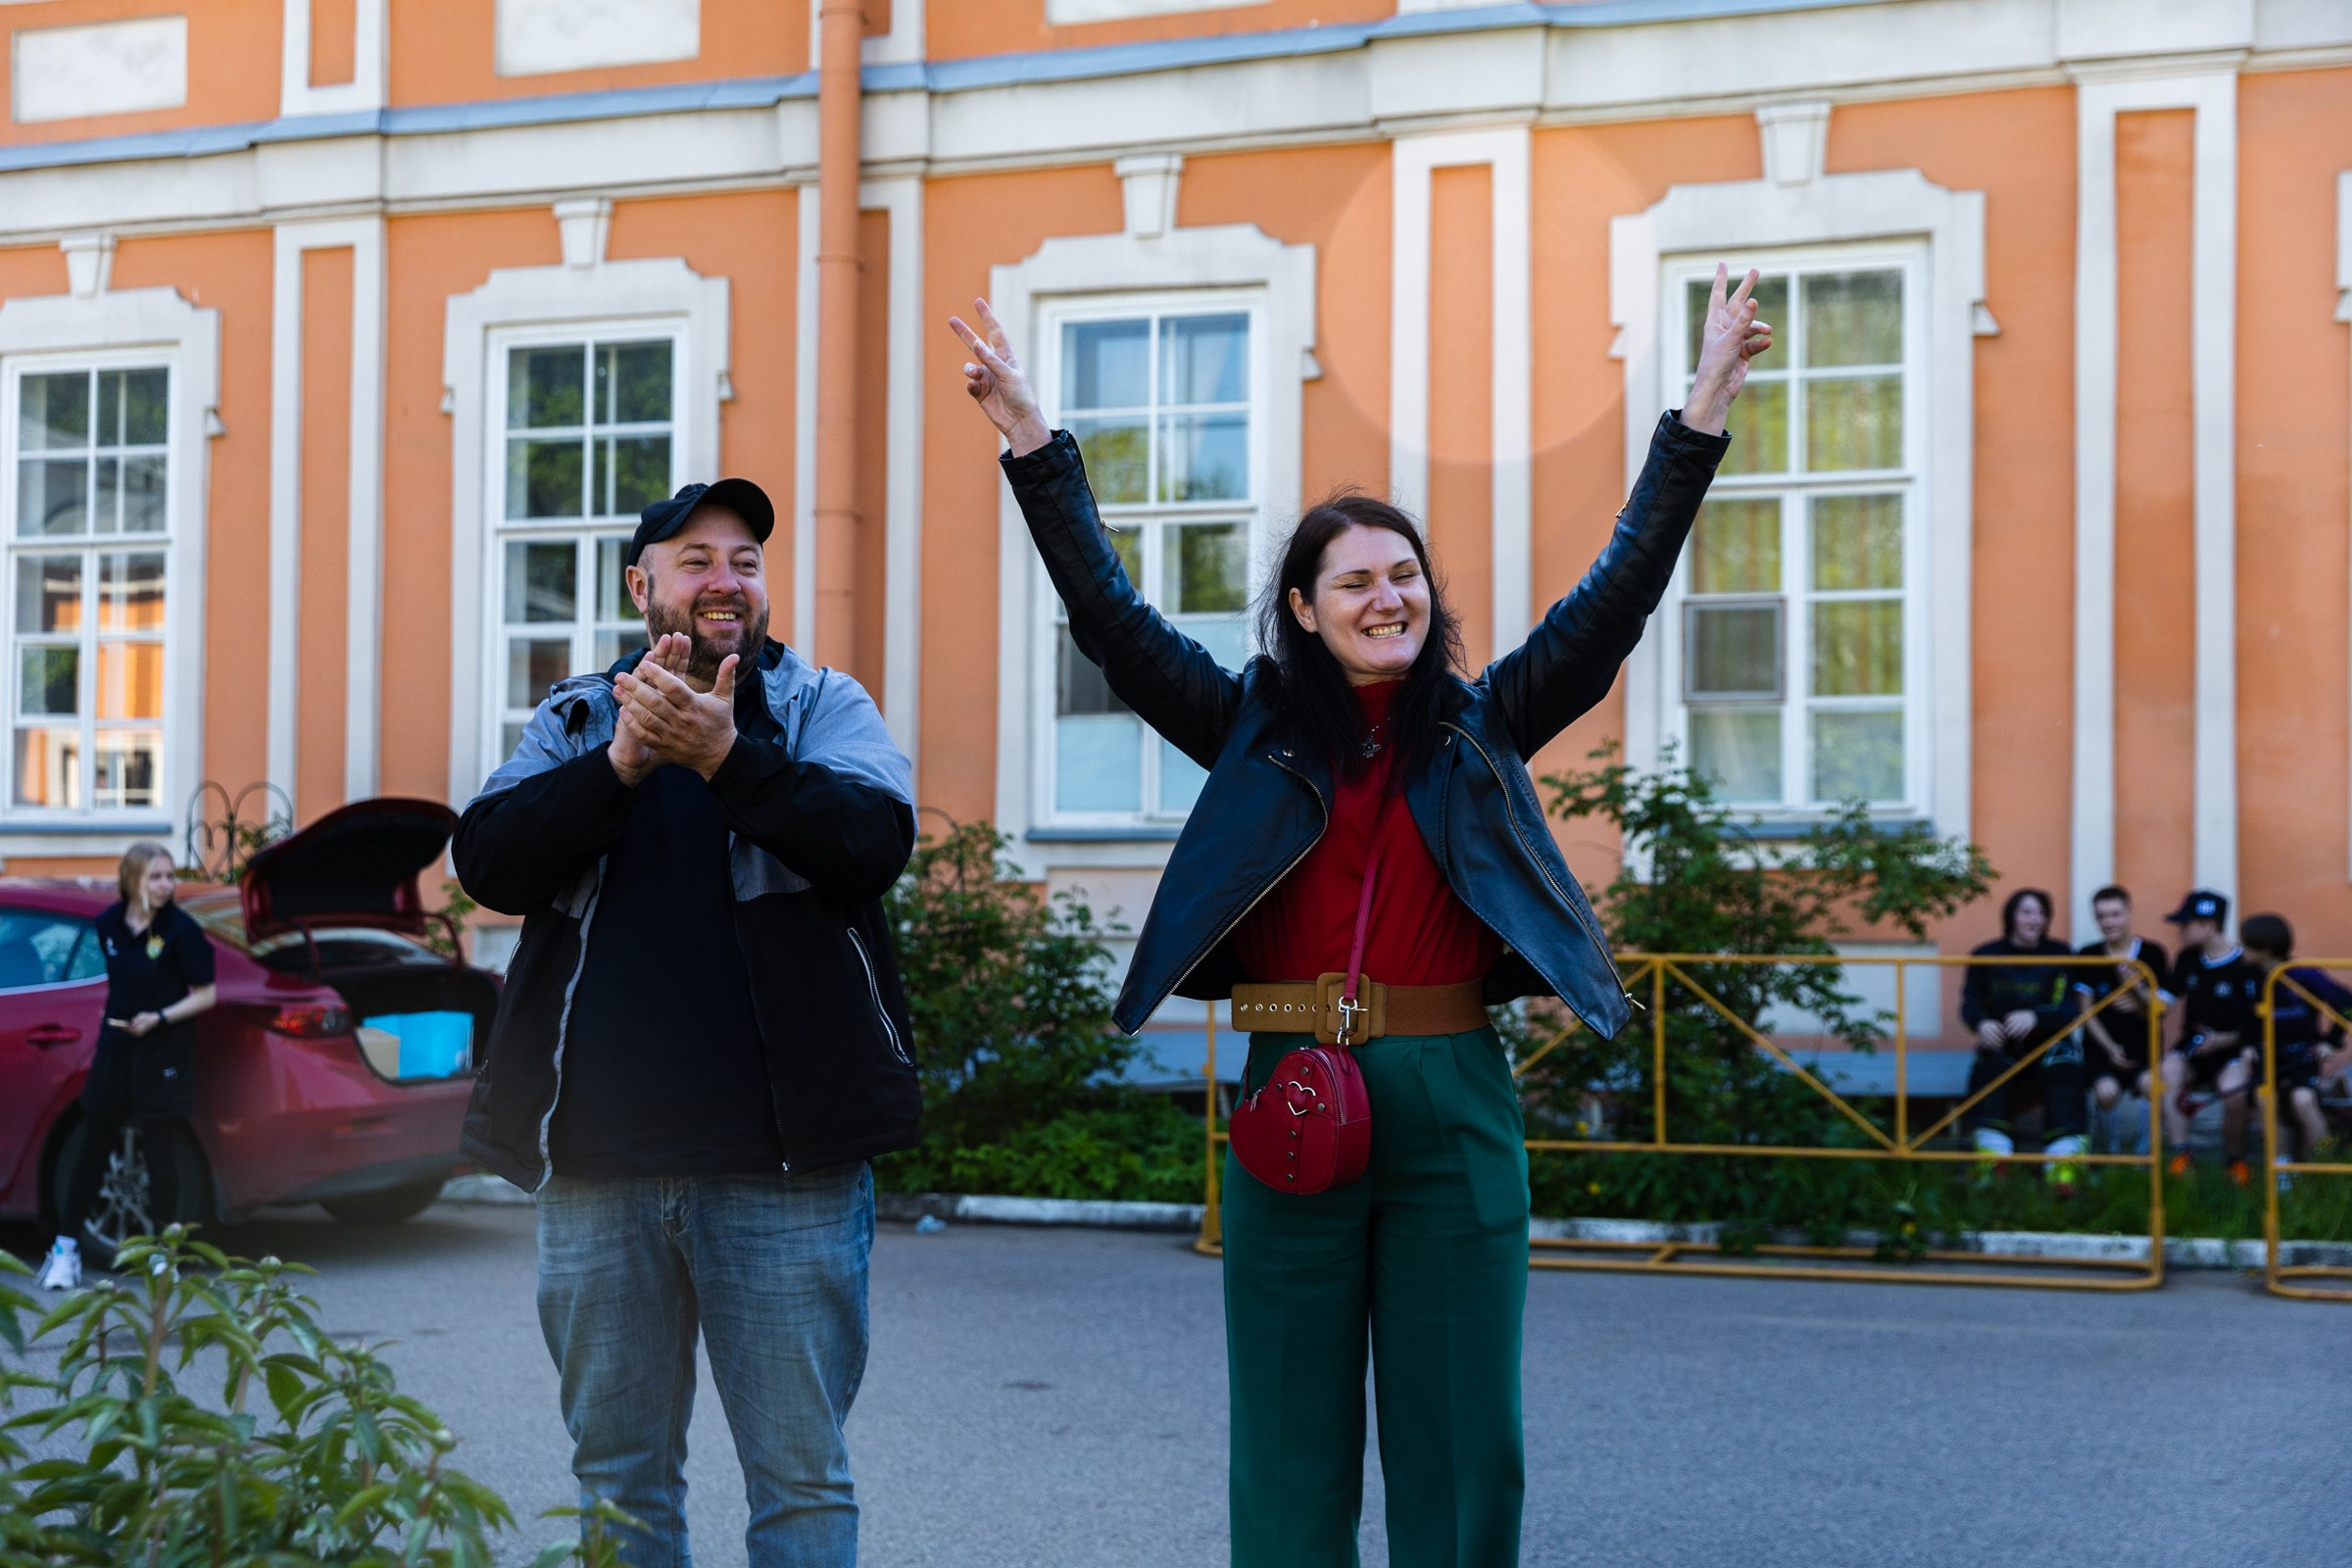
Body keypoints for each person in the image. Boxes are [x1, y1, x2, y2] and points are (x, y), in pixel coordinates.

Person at [953, 263, 1770, 1567]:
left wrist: (1702, 413)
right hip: (1293, 1092)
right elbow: (1110, 622)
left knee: (1461, 1448)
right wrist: (1035, 445)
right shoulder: (1248, 733)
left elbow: (1617, 597)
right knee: (1288, 1444)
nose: (1387, 596)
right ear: (1303, 611)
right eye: (1354, 581)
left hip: (1451, 1096)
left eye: (1404, 575)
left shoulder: (1482, 729)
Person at [453, 477, 920, 1568]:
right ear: (642, 583)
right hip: (597, 1173)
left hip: (786, 1173)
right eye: (699, 557)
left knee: (800, 1483)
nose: (728, 579)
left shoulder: (819, 707)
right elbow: (487, 860)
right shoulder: (576, 718)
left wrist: (726, 758)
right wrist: (622, 766)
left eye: (747, 559)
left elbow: (872, 844)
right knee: (619, 1487)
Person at [38, 841, 219, 1290]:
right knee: (94, 1143)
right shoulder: (110, 926)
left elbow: (206, 993)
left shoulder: (182, 931)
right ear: (133, 880)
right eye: (155, 877)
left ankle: (163, 1254)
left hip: (163, 1051)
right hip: (116, 1048)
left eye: (169, 876)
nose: (164, 885)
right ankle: (65, 1249)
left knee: (159, 1148)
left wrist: (158, 1018)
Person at [1958, 888, 2087, 1187]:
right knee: (1986, 1074)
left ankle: (2064, 1169)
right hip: (2001, 1046)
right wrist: (1981, 1025)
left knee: (2068, 1074)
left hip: (2051, 1046)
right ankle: (1993, 1165)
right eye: (2027, 911)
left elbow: (2070, 1008)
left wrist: (2036, 1017)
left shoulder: (2061, 954)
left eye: (2041, 912)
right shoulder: (1985, 954)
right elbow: (1970, 1004)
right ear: (2011, 916)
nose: (2035, 919)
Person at [2238, 912, 2350, 1173]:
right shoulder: (2247, 976)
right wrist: (2246, 1046)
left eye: (2245, 944)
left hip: (2303, 1056)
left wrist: (2331, 1042)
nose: (2240, 950)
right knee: (2265, 1100)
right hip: (2266, 1057)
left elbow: (2347, 1004)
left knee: (2303, 1101)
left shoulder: (2302, 975)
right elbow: (2243, 1016)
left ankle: (2322, 1168)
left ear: (2265, 950)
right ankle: (2282, 1171)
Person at [2160, 889, 2258, 1184]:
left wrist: (2225, 1040)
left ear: (2210, 926)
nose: (2180, 930)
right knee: (2168, 1070)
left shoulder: (2246, 966)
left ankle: (2235, 1162)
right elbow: (2163, 999)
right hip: (2193, 1047)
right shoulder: (2187, 958)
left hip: (2232, 1050)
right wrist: (2137, 993)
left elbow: (2257, 1023)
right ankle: (2182, 1155)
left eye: (2186, 924)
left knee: (2235, 1088)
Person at [2075, 885, 2167, 1154]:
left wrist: (2137, 995)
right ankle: (2110, 1153)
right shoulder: (2088, 955)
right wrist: (2109, 1047)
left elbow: (2159, 1012)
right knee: (2106, 1092)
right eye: (2102, 916)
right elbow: (2086, 1012)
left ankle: (2145, 1156)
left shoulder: (2152, 953)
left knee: (2153, 1086)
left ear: (2129, 914)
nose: (2108, 922)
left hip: (2144, 1044)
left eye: (2115, 914)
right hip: (2102, 1047)